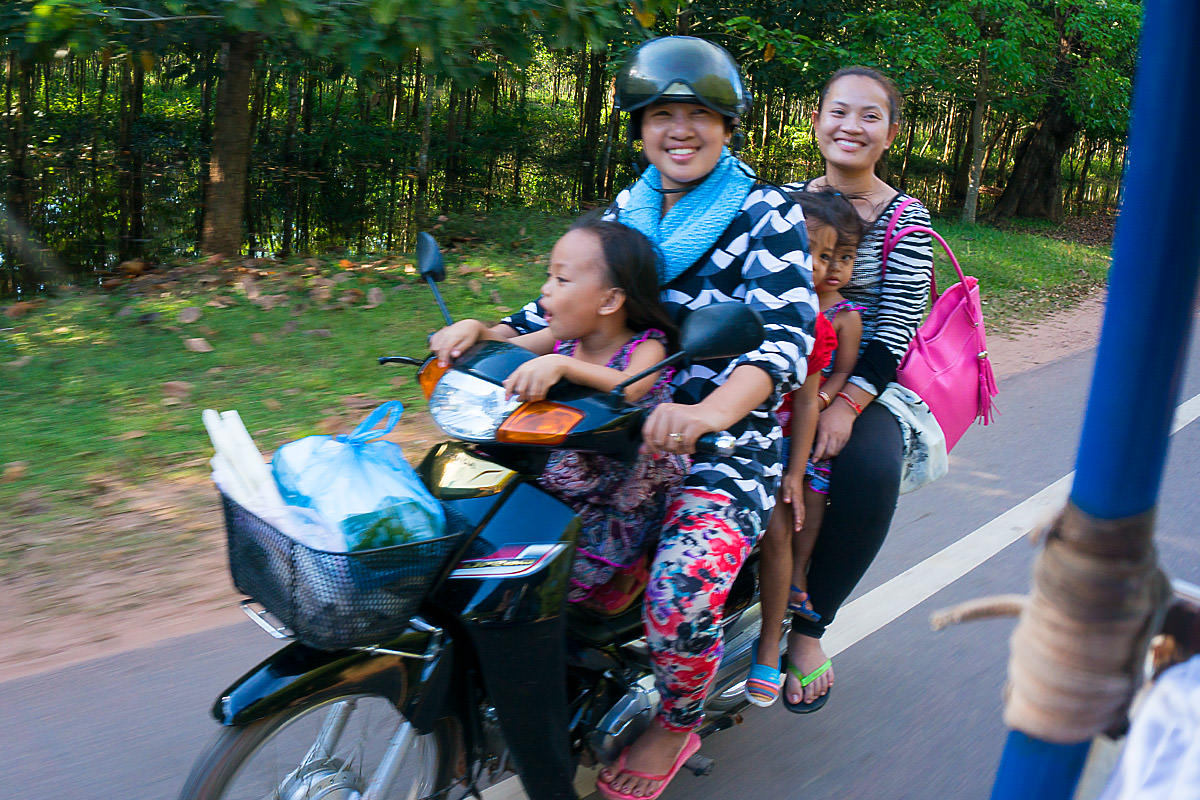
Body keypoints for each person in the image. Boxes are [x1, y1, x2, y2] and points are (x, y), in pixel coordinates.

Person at [430, 36, 815, 800]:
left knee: (680, 583)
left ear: (728, 126)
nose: (680, 129)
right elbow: (566, 298)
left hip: (716, 442)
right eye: (662, 114)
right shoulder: (628, 210)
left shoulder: (766, 211)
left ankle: (676, 714)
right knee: (484, 527)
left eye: (699, 113)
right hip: (599, 420)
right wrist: (489, 333)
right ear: (639, 127)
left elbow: (781, 342)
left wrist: (707, 412)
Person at [776, 66, 934, 711]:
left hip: (862, 375)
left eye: (870, 116)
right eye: (839, 111)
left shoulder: (906, 217)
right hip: (780, 365)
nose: (851, 127)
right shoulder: (780, 199)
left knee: (868, 471)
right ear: (816, 120)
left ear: (890, 132)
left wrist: (843, 407)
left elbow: (897, 325)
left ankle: (810, 629)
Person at [493, 218, 689, 611]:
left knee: (550, 583)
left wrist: (563, 367)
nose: (545, 290)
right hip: (568, 478)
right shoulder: (563, 339)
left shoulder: (646, 346)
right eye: (548, 277)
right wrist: (468, 332)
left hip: (623, 496)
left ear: (609, 301)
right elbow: (506, 349)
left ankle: (629, 574)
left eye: (561, 280)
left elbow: (631, 386)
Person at [746, 190, 864, 708]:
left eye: (835, 255)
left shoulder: (825, 322)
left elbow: (826, 383)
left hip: (786, 434)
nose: (820, 266)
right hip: (737, 430)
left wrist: (794, 470)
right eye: (809, 251)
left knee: (788, 515)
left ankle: (774, 633)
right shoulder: (746, 296)